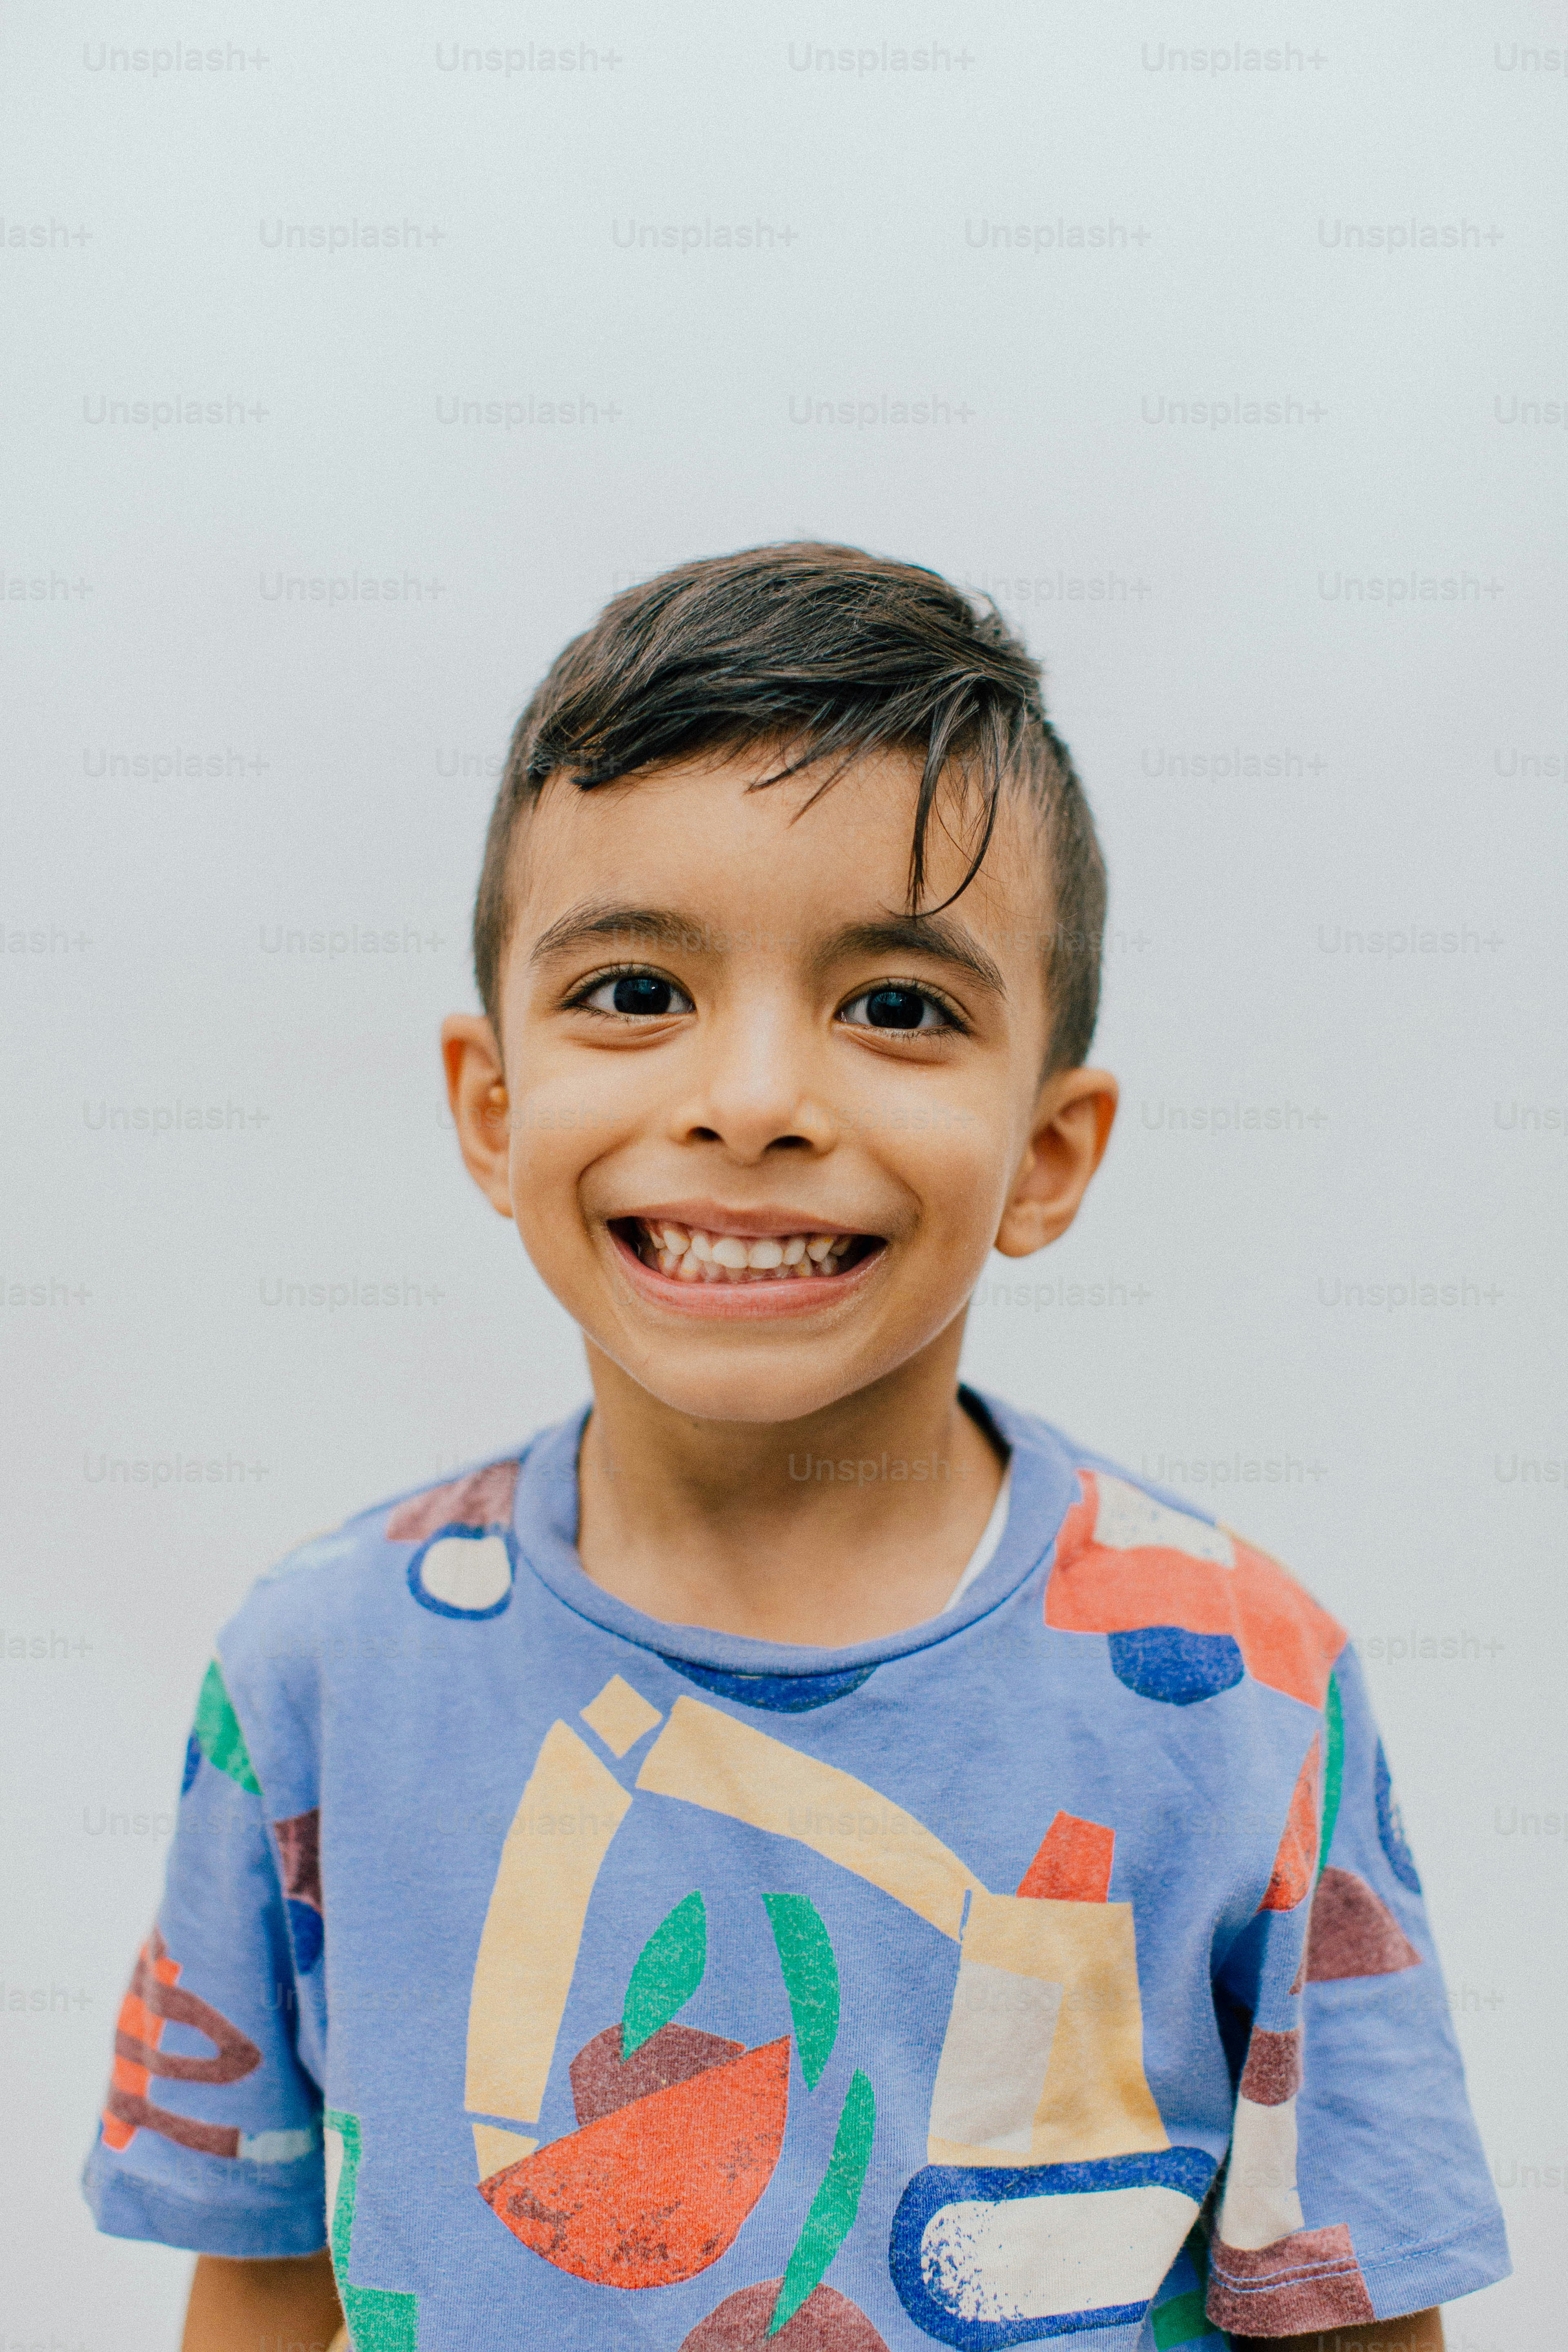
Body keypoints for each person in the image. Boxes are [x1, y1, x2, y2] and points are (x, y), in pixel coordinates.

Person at [85, 547, 1508, 2352]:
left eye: (898, 1008)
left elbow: (1349, 2310)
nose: (752, 1101)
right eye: (632, 991)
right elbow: (268, 2289)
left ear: (1050, 1156)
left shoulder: (1245, 1694)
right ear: (491, 1108)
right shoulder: (316, 1677)